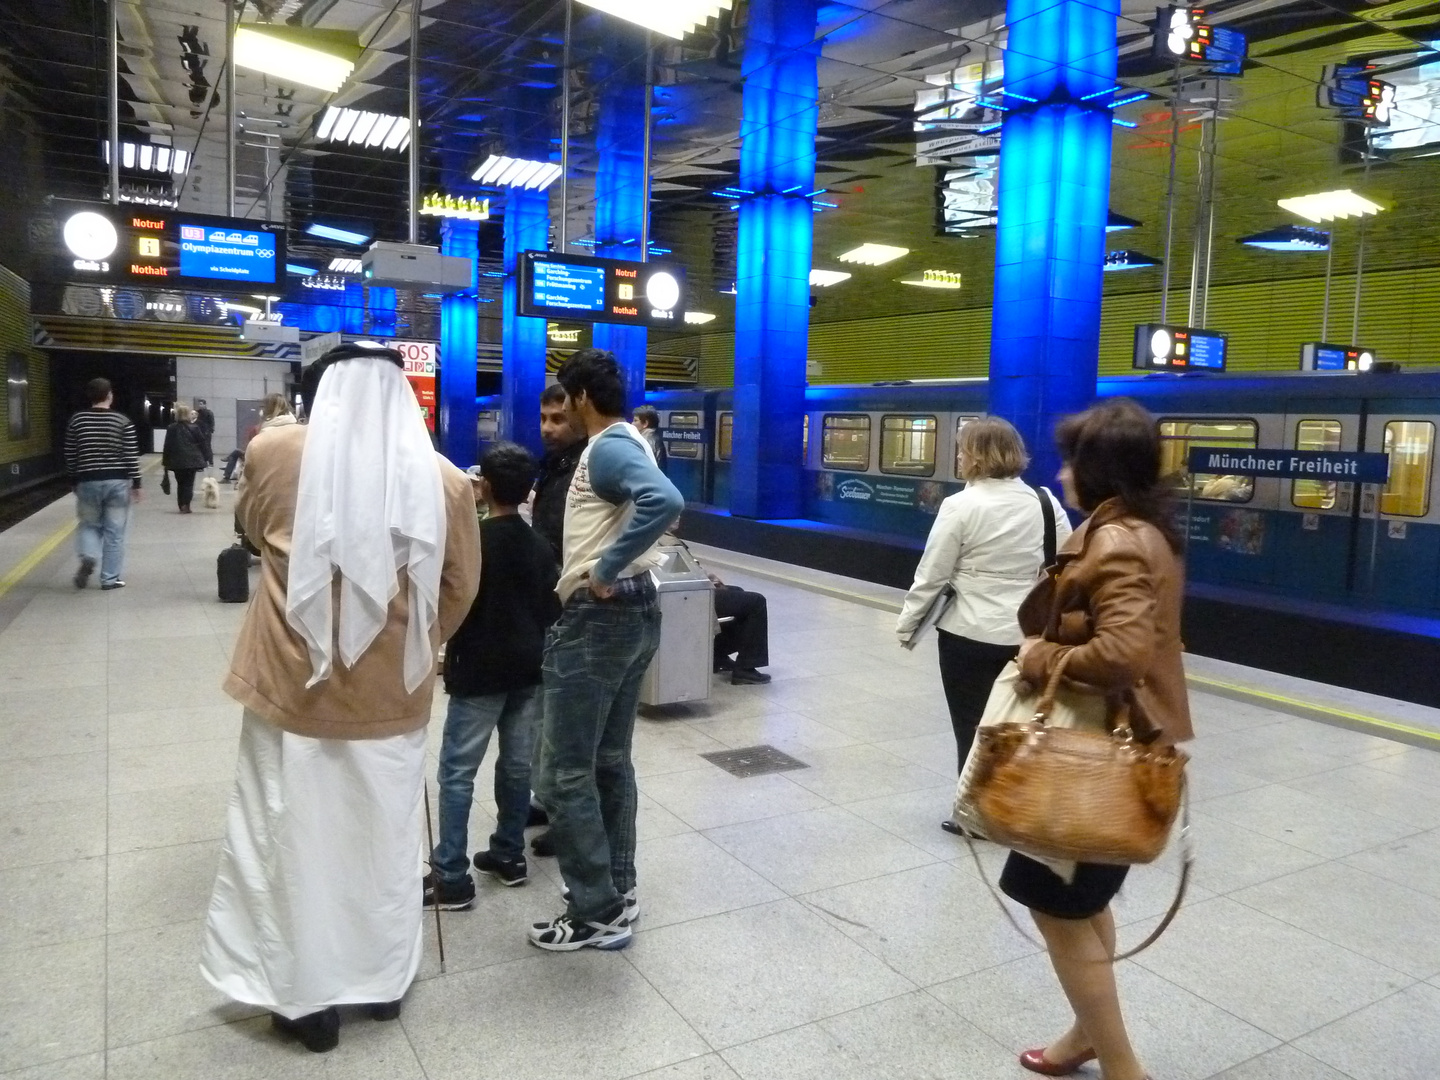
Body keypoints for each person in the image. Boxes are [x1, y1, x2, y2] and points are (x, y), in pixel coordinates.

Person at [200, 342, 481, 1053]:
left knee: (286, 840)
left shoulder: (275, 453)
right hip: (392, 700)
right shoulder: (446, 481)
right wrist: (404, 649)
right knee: (381, 844)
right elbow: (458, 588)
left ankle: (305, 1005)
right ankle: (381, 984)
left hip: (291, 690)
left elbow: (256, 532)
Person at [1004, 398, 1192, 1080]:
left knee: (1056, 906)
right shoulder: (1146, 531)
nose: (1058, 475)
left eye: (1069, 462)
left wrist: (1040, 658)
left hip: (1089, 756)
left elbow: (1123, 655)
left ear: (1098, 471)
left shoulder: (1114, 541)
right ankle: (1084, 1039)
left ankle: (1122, 1067)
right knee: (1083, 901)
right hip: (1119, 746)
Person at [528, 348, 683, 951]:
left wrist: (606, 567)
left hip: (599, 618)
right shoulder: (631, 439)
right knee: (609, 761)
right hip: (633, 614)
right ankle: (617, 889)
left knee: (564, 771)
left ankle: (594, 908)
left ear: (583, 399)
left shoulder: (609, 447)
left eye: (564, 401)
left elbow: (664, 502)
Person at [896, 416, 1070, 835]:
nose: (958, 456)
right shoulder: (1045, 501)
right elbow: (1067, 564)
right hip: (1028, 637)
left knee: (973, 725)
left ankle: (976, 816)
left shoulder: (960, 505)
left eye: (962, 448)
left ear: (976, 455)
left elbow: (933, 573)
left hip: (968, 634)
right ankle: (1018, 809)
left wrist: (908, 624)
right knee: (1020, 724)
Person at [424, 442, 562, 909]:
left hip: (480, 671)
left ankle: (451, 876)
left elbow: (454, 604)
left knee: (458, 772)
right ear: (527, 493)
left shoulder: (473, 544)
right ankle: (509, 854)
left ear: (482, 488)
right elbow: (551, 608)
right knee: (517, 765)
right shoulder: (541, 546)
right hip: (529, 669)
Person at [64, 377, 141, 590]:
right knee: (115, 532)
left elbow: (70, 453)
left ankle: (89, 556)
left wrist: (73, 480)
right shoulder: (122, 421)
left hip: (88, 480)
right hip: (117, 482)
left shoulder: (77, 420)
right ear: (109, 396)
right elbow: (130, 455)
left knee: (89, 524)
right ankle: (109, 579)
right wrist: (137, 484)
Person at [532, 383, 587, 563]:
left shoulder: (588, 466)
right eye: (543, 418)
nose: (546, 428)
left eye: (557, 419)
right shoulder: (553, 463)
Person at [223, 393, 294, 483]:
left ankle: (226, 475)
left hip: (267, 484)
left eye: (263, 407)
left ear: (268, 409)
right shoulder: (300, 430)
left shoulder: (261, 433)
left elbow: (251, 468)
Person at [162, 403, 210, 514]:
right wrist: (207, 457)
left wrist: (165, 461)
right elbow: (203, 443)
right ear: (188, 415)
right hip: (192, 461)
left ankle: (181, 504)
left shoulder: (171, 428)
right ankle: (186, 505)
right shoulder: (195, 427)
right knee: (189, 483)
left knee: (180, 483)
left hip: (176, 461)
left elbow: (167, 445)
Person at [632, 404, 667, 471]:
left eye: (635, 420)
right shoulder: (656, 438)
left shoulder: (644, 441)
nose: (632, 424)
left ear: (645, 423)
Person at [194, 397, 216, 466]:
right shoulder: (197, 413)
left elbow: (212, 423)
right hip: (199, 431)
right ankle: (203, 462)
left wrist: (209, 431)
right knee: (200, 447)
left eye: (201, 404)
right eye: (199, 404)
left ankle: (210, 462)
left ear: (204, 404)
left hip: (206, 432)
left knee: (207, 447)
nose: (200, 405)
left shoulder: (209, 413)